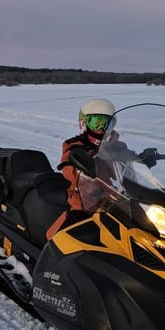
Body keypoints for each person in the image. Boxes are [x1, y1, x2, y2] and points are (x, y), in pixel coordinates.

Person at [45, 97, 116, 240]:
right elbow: (68, 166)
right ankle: (48, 251)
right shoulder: (75, 145)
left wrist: (140, 159)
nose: (101, 129)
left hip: (109, 199)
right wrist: (77, 162)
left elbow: (122, 160)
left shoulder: (112, 145)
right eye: (97, 123)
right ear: (84, 123)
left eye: (107, 124)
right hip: (83, 200)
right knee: (66, 233)